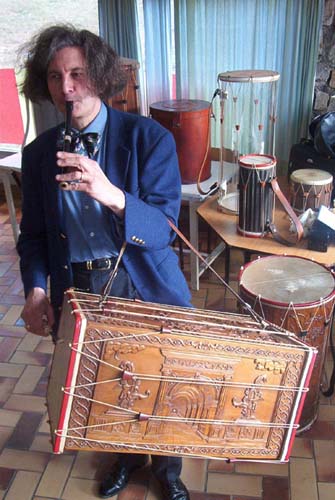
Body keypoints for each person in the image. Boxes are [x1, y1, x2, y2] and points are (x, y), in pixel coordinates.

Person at [17, 24, 192, 500]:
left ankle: (168, 470)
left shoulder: (149, 139)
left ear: (98, 75)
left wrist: (110, 193)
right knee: (112, 386)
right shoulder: (36, 157)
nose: (67, 88)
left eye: (76, 74)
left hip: (142, 284)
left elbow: (162, 231)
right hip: (78, 287)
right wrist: (35, 288)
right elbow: (32, 237)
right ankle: (126, 457)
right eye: (55, 77)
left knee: (160, 379)